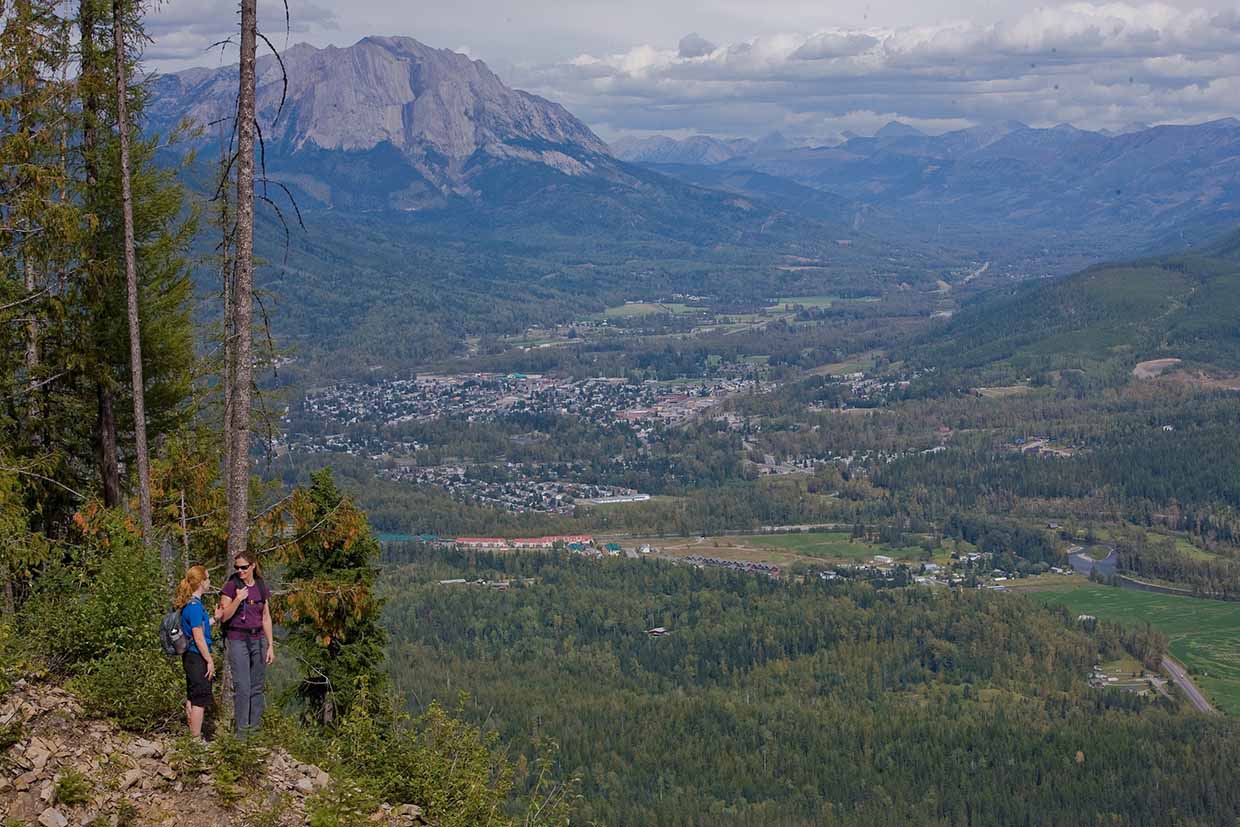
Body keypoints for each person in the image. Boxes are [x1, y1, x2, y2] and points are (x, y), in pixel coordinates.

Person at [216, 553, 275, 737]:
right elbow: (223, 616)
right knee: (243, 686)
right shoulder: (231, 586)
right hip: (237, 639)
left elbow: (265, 616)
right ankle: (241, 736)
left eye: (243, 567)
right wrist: (238, 599)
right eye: (237, 568)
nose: (240, 571)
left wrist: (271, 644)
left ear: (252, 566)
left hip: (258, 639)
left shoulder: (260, 586)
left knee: (257, 687)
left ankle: (254, 734)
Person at [176, 565, 214, 739]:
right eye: (207, 578)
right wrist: (209, 660)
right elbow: (198, 636)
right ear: (200, 582)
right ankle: (195, 739)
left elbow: (197, 628)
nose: (209, 582)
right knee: (200, 698)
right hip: (197, 656)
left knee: (192, 695)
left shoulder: (190, 605)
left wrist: (215, 618)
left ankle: (192, 738)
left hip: (189, 656)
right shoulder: (196, 606)